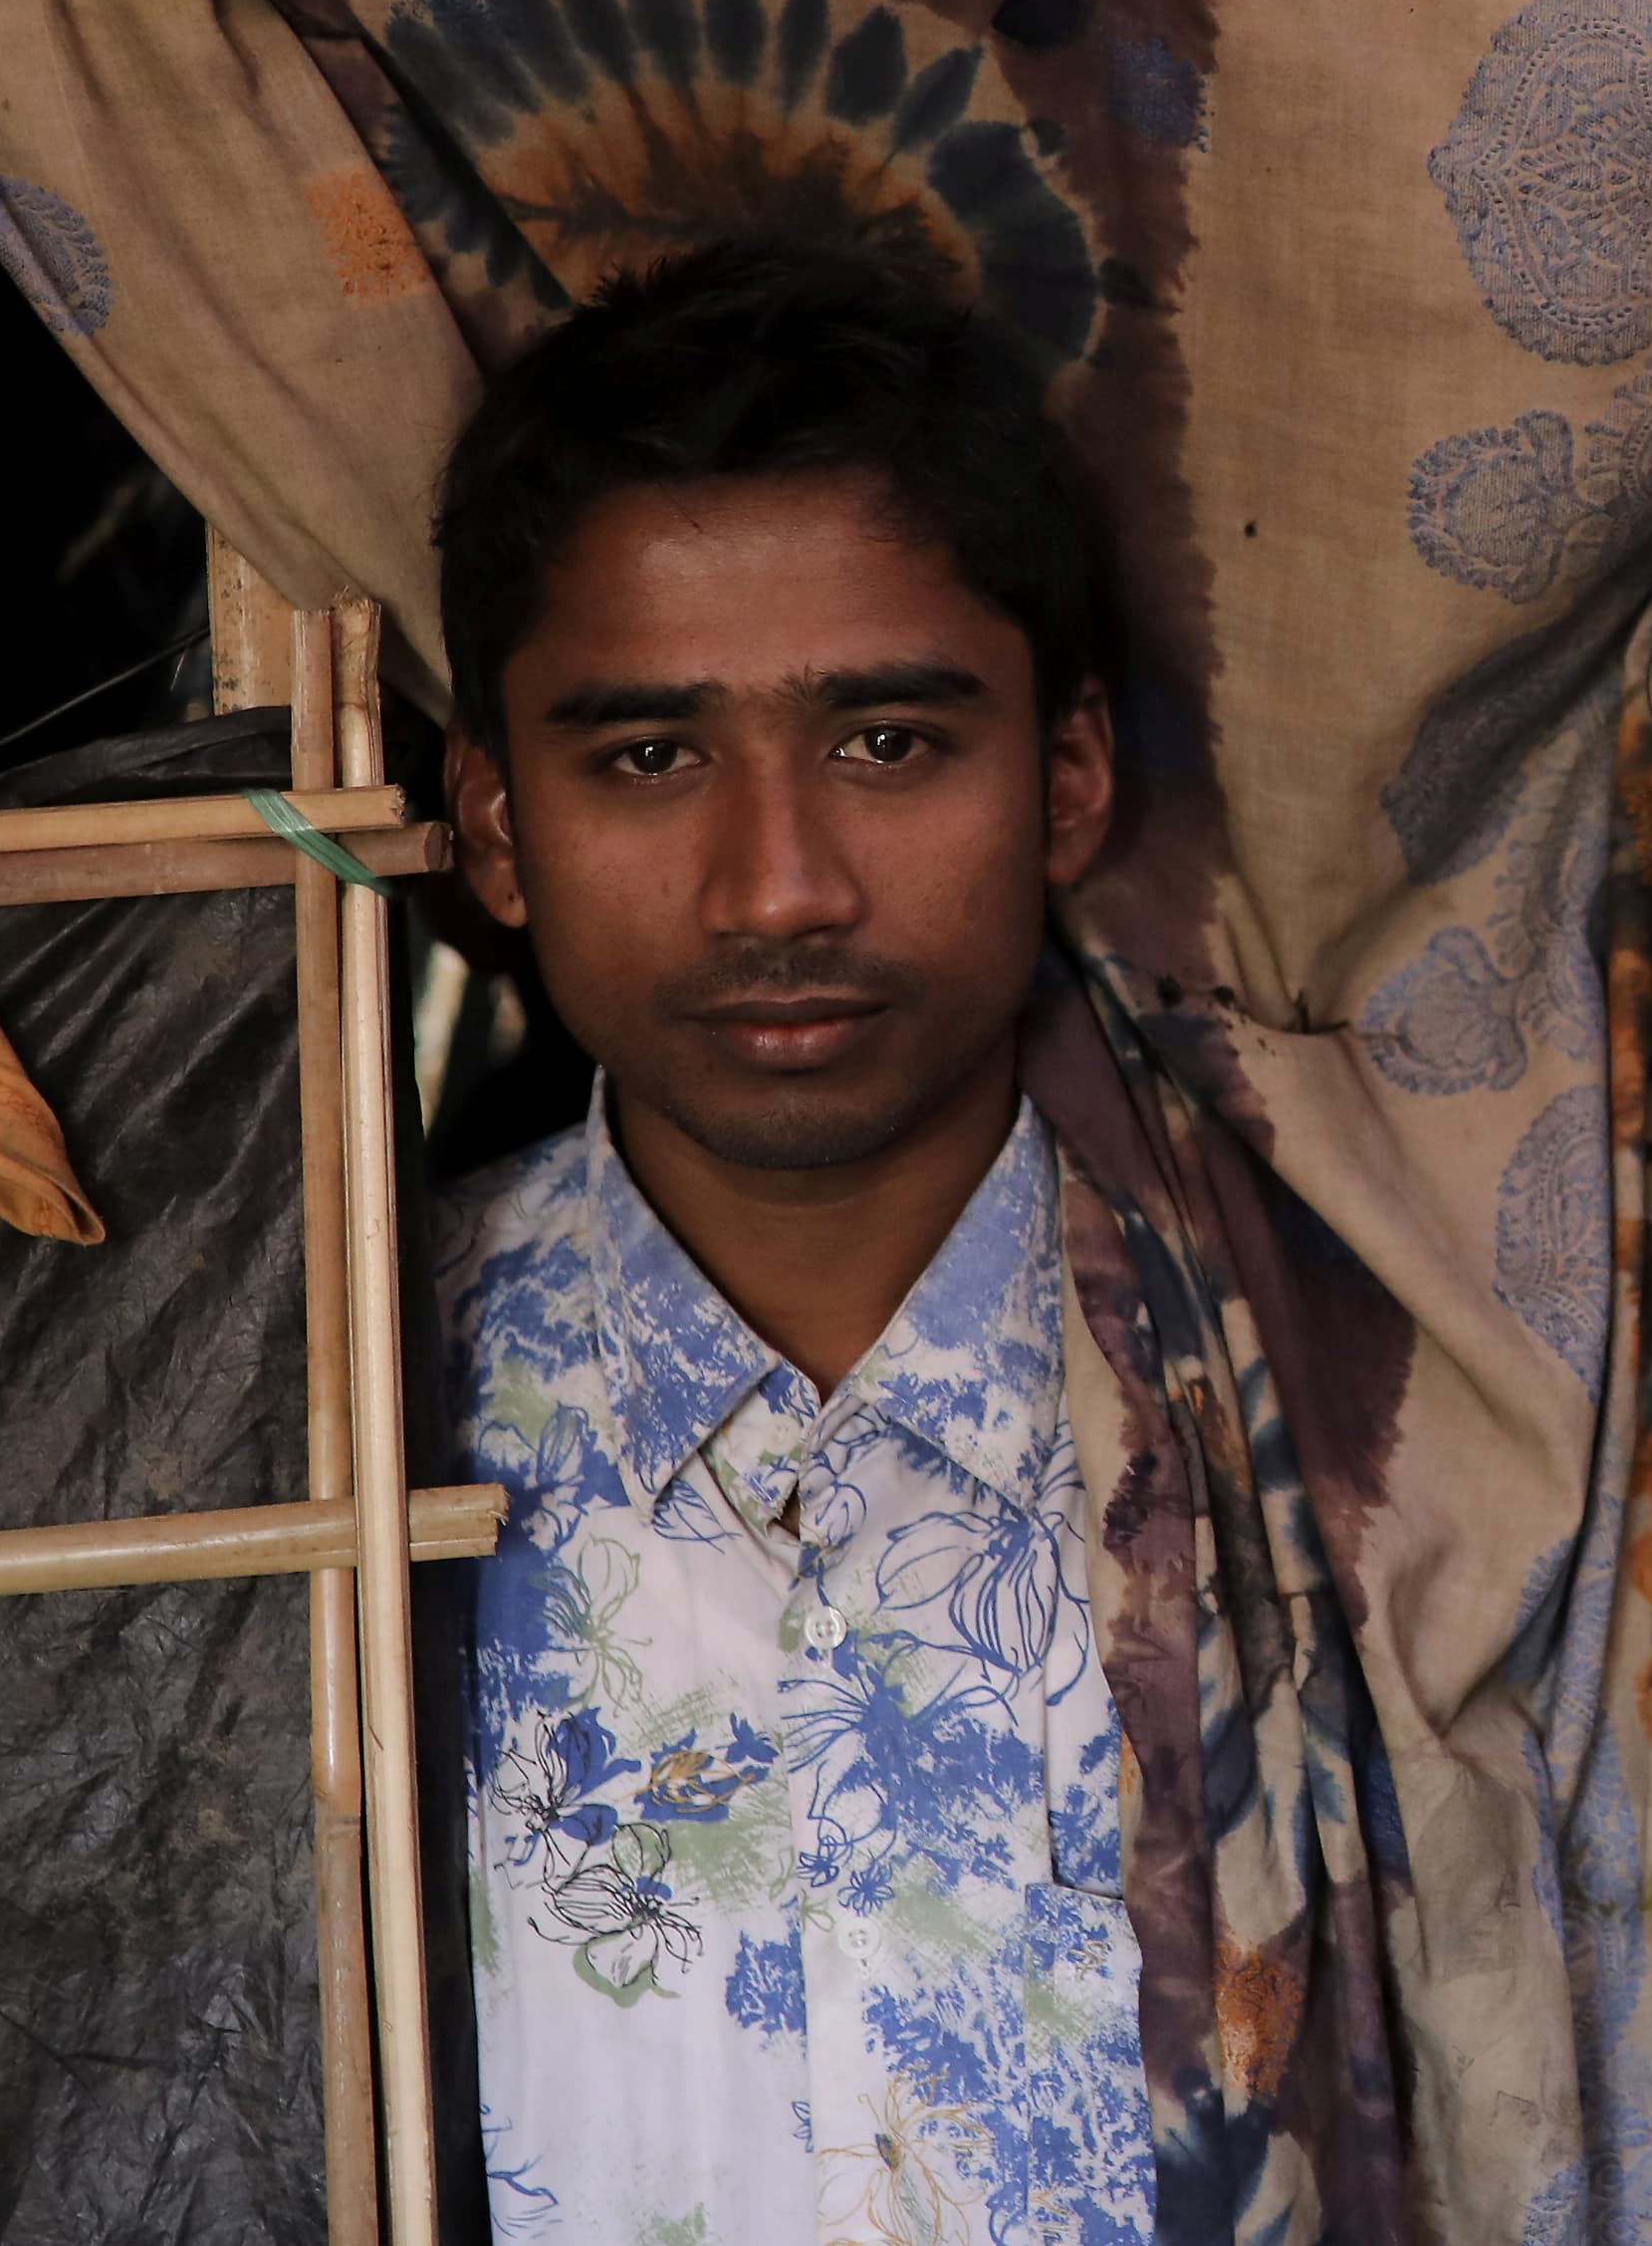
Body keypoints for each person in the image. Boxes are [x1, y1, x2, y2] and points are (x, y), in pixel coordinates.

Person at [429, 235, 1145, 2243]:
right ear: (492, 821)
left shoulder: (1327, 1420)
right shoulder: (329, 1421)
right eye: (647, 756)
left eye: (890, 741)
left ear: (1068, 774)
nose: (777, 888)